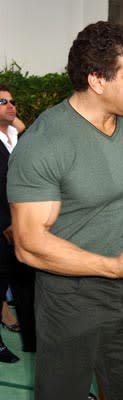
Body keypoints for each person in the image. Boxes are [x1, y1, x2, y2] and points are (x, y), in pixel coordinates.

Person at [7, 21, 123, 400]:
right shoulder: (45, 142)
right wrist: (116, 267)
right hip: (71, 301)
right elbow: (29, 243)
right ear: (97, 80)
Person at [0, 83, 20, 363]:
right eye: (3, 102)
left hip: (18, 224)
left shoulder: (15, 136)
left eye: (12, 101)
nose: (11, 105)